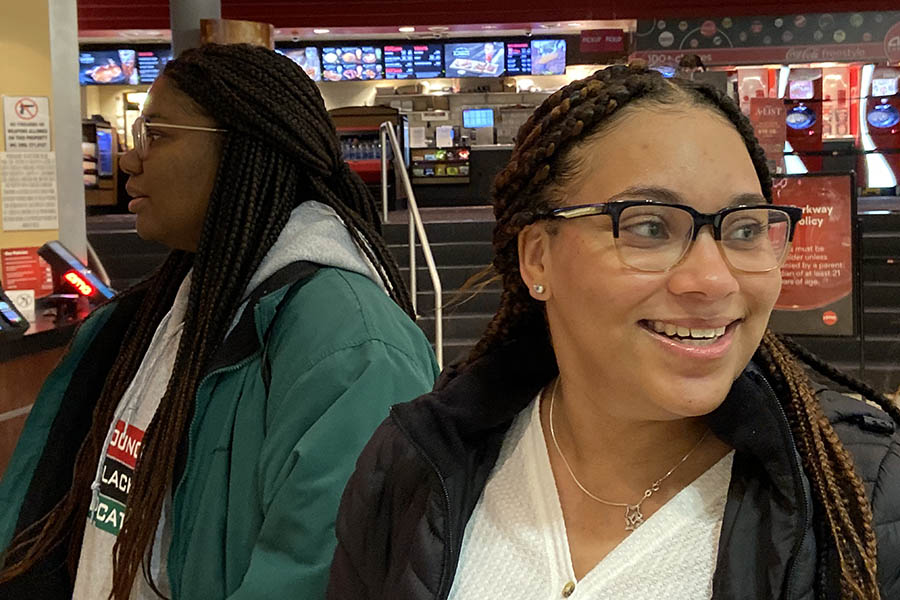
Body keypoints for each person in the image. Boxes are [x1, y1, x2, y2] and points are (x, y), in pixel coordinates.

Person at [327, 65, 900, 600]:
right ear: (537, 259)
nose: (712, 278)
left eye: (745, 228)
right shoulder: (413, 466)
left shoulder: (862, 496)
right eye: (650, 227)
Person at [0, 44, 438, 599]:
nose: (130, 160)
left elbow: (320, 578)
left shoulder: (350, 346)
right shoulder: (176, 305)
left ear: (244, 152)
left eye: (157, 134)